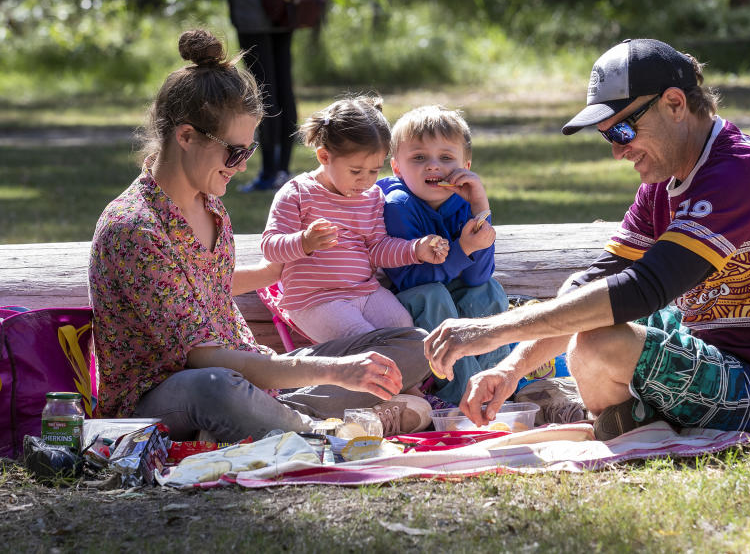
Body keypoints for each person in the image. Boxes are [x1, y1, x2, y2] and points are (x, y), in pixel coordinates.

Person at [423, 38, 750, 440]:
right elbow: (595, 284)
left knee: (597, 342)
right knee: (579, 300)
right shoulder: (670, 177)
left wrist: (491, 331)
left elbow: (642, 290)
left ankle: (633, 417)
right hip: (716, 347)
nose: (617, 152)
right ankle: (633, 415)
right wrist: (511, 369)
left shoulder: (737, 174)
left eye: (623, 131)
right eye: (608, 136)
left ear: (675, 104)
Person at [88, 30, 431, 442]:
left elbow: (215, 287)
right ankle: (319, 430)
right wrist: (335, 370)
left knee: (414, 344)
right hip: (173, 395)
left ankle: (284, 420)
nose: (242, 166)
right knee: (215, 387)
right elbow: (203, 358)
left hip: (253, 377)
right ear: (185, 136)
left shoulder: (210, 206)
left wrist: (283, 270)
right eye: (234, 152)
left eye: (248, 152)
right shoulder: (133, 229)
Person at [261, 96, 449, 345]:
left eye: (374, 171)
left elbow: (378, 248)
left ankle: (406, 383)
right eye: (356, 171)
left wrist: (416, 249)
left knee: (406, 331)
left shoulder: (371, 197)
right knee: (364, 341)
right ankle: (404, 385)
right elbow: (270, 246)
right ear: (324, 157)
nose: (366, 181)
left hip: (364, 291)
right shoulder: (297, 192)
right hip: (315, 299)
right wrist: (305, 241)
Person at [375, 105, 511, 405]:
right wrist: (462, 250)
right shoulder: (398, 205)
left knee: (488, 291)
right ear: (397, 167)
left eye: (446, 158)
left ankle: (498, 385)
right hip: (411, 301)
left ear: (466, 165)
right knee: (434, 295)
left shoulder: (463, 202)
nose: (433, 166)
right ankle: (460, 397)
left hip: (454, 292)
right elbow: (410, 278)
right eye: (419, 158)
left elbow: (478, 276)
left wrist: (479, 208)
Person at [194, 0, 301, 192]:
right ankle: (282, 168)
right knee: (282, 86)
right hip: (284, 4)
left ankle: (269, 173)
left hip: (255, 9)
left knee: (262, 87)